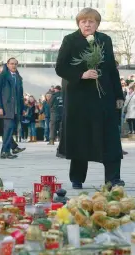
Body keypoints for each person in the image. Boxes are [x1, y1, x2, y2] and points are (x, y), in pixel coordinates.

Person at [55, 8, 125, 189]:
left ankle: (113, 178)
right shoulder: (70, 40)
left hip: (104, 97)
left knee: (109, 136)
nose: (87, 24)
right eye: (84, 21)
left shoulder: (105, 40)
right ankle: (77, 178)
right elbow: (60, 68)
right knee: (81, 136)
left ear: (97, 24)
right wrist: (82, 74)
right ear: (78, 23)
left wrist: (118, 95)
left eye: (91, 21)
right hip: (79, 99)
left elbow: (111, 69)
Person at [0, 58, 25, 160]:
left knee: (10, 131)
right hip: (6, 109)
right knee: (8, 130)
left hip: (16, 109)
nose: (14, 66)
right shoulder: (2, 77)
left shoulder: (18, 78)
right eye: (11, 64)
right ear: (7, 64)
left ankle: (6, 151)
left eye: (15, 64)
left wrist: (22, 108)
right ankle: (4, 152)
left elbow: (20, 95)